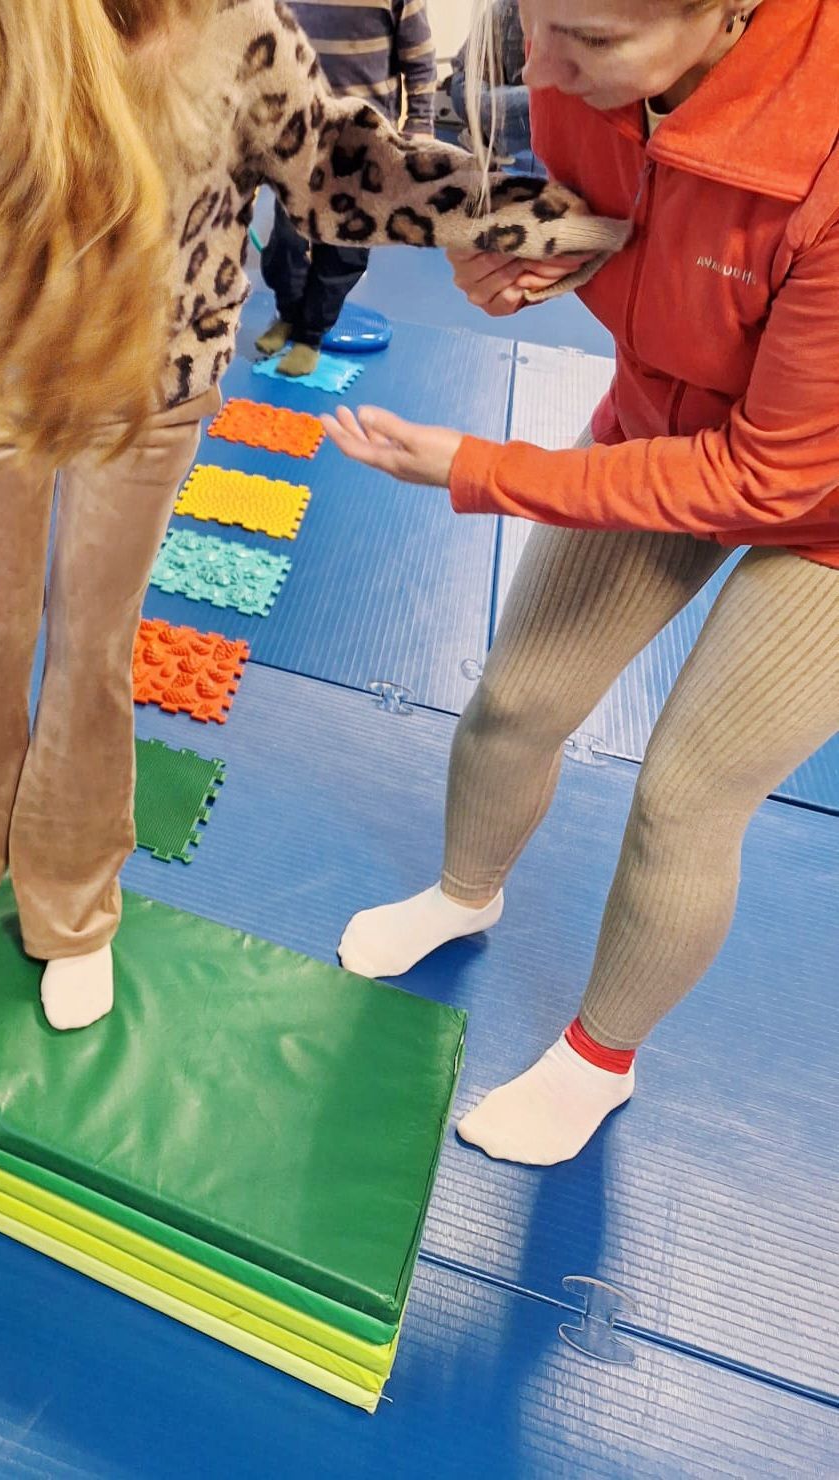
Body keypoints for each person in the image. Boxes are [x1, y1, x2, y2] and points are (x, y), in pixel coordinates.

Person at [0, 0, 628, 1035]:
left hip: (150, 387)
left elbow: (345, 167)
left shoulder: (237, 31)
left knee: (94, 650)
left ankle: (74, 912)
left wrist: (516, 210)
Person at [328, 0, 839, 1164]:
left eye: (590, 43)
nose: (541, 66)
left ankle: (599, 1063)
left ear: (732, 14)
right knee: (515, 702)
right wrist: (545, 251)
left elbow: (767, 479)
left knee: (683, 796)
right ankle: (467, 892)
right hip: (676, 412)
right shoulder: (571, 53)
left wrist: (484, 467)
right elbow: (648, 216)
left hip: (819, 503)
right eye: (533, 18)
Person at [255, 0, 438, 378]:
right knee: (285, 246)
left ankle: (310, 335)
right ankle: (289, 315)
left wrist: (421, 121)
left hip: (362, 140)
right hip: (300, 133)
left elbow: (419, 56)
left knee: (342, 253)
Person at [448, 0, 533, 164]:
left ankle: (488, 139)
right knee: (543, 99)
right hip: (469, 83)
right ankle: (487, 138)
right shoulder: (520, 8)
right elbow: (519, 74)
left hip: (495, 88)